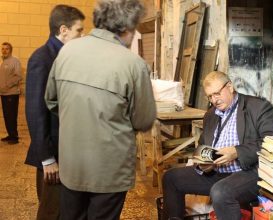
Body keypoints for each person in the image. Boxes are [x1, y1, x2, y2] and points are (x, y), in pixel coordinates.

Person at [44, 0, 156, 219]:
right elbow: (143, 120)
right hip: (110, 170)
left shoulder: (67, 51)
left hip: (72, 164)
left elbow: (51, 100)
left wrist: (79, 119)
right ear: (127, 28)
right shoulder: (134, 64)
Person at [162, 71, 273, 220]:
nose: (214, 100)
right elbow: (202, 147)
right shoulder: (211, 115)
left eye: (217, 93)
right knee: (171, 177)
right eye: (210, 96)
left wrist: (237, 152)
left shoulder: (258, 107)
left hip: (249, 172)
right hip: (217, 172)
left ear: (230, 87)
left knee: (221, 192)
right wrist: (202, 164)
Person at [24, 5, 85, 220]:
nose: (82, 35)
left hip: (69, 150)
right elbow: (35, 112)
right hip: (53, 152)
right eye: (79, 30)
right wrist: (47, 158)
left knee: (67, 209)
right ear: (64, 30)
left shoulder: (67, 55)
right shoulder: (42, 58)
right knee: (52, 210)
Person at [0, 42, 22, 144]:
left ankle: (14, 137)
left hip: (11, 94)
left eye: (7, 49)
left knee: (11, 115)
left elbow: (18, 76)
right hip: (4, 93)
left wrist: (7, 85)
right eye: (3, 49)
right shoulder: (3, 62)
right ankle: (10, 135)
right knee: (7, 116)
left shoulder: (15, 61)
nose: (4, 50)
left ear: (11, 50)